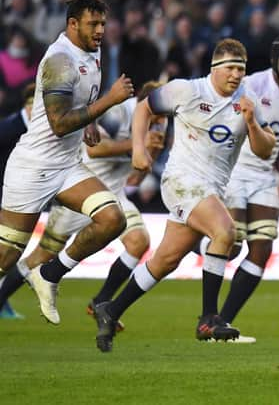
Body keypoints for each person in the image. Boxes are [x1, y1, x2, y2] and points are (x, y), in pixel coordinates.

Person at [93, 38, 276, 352]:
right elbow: (143, 108)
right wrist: (138, 148)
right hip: (181, 181)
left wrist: (250, 122)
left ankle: (111, 310)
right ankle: (208, 318)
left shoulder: (248, 100)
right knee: (226, 232)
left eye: (241, 69)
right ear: (215, 68)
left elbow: (264, 149)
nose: (236, 75)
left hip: (211, 188)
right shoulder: (187, 90)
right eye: (231, 68)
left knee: (165, 260)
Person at [0, 0, 134, 325]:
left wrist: (90, 124)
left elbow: (75, 109)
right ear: (72, 24)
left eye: (103, 23)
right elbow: (59, 124)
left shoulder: (92, 50)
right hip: (33, 168)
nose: (101, 30)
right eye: (93, 24)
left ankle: (49, 273)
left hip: (67, 165)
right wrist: (109, 101)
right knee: (5, 257)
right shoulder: (60, 60)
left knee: (112, 219)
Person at [0, 81, 166, 328]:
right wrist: (137, 145)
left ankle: (101, 302)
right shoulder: (119, 113)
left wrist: (147, 156)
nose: (161, 121)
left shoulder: (161, 122)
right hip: (81, 187)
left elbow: (136, 175)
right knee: (41, 255)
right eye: (158, 114)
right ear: (145, 104)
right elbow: (94, 149)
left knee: (139, 241)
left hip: (115, 193)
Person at [196, 34, 279, 342]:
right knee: (231, 245)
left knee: (262, 249)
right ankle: (198, 243)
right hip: (234, 169)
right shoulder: (252, 85)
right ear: (275, 61)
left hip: (263, 177)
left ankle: (222, 323)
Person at [0, 82, 35, 319]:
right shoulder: (8, 128)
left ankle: (3, 302)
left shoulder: (39, 132)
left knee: (10, 251)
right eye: (33, 104)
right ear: (26, 104)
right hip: (4, 196)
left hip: (16, 198)